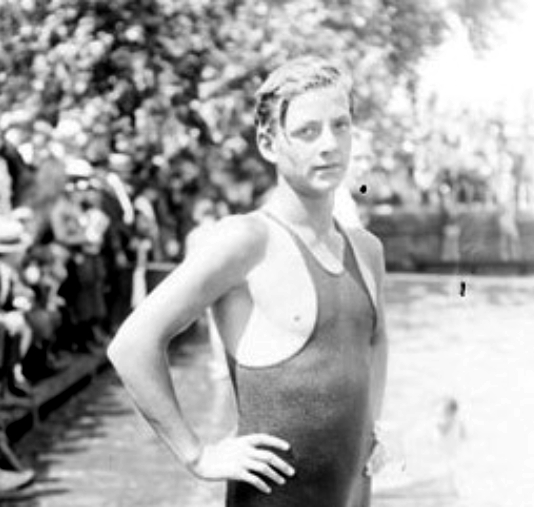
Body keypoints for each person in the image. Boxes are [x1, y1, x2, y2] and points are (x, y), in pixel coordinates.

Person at [107, 56, 389, 506]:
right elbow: (131, 345)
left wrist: (372, 430)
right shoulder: (245, 241)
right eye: (307, 131)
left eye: (342, 125)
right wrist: (197, 456)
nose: (330, 144)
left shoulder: (367, 250)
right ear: (269, 142)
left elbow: (375, 342)